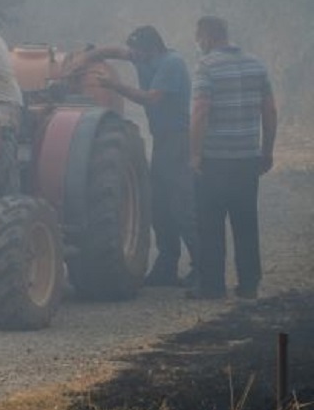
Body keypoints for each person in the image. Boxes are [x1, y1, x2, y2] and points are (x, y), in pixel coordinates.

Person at [71, 26, 198, 287]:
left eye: (137, 51)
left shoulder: (171, 64)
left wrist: (115, 86)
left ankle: (202, 265)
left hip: (178, 140)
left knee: (182, 204)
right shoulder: (143, 56)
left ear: (153, 47)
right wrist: (86, 59)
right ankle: (167, 264)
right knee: (159, 204)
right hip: (162, 139)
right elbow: (115, 51)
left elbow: (152, 99)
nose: (133, 56)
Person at [187, 16, 277, 300]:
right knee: (246, 223)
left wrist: (195, 154)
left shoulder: (206, 66)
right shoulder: (256, 64)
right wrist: (267, 150)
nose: (198, 43)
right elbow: (270, 111)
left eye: (198, 37)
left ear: (208, 36)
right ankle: (249, 284)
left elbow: (201, 110)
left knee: (210, 224)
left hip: (215, 159)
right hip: (247, 158)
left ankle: (212, 286)